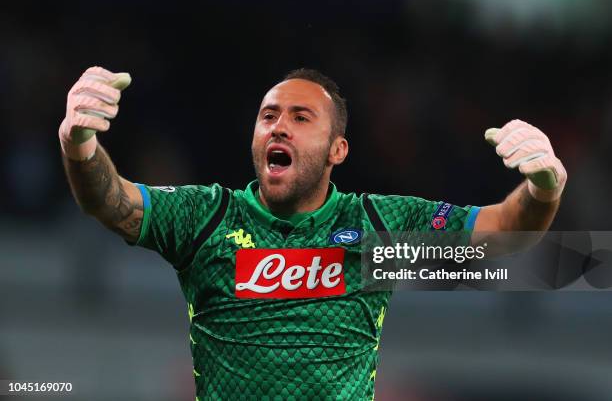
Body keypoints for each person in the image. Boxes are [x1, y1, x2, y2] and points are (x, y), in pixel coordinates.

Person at [59, 66, 567, 400]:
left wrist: (543, 190)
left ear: (337, 150)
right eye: (268, 116)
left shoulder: (377, 232)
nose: (279, 126)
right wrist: (80, 146)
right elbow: (111, 201)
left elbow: (502, 237)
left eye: (301, 118)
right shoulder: (207, 219)